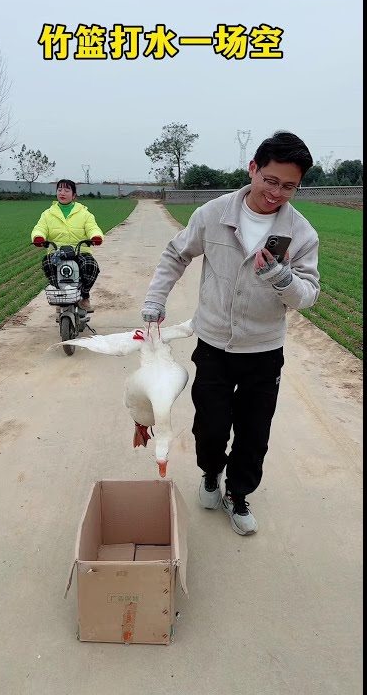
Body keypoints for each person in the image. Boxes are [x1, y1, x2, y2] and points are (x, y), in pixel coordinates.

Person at [140, 131, 320, 536]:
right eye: (270, 180)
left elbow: (307, 295)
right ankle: (210, 473)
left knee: (255, 431)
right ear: (253, 168)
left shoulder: (303, 233)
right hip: (214, 343)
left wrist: (282, 278)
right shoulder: (214, 214)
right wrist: (156, 299)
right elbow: (176, 254)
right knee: (211, 426)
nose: (276, 193)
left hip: (264, 348)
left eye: (288, 186)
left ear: (298, 186)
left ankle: (238, 495)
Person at [31, 179, 104, 311]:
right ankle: (61, 296)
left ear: (74, 195)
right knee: (48, 264)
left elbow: (92, 227)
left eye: (66, 190)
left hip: (80, 251)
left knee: (90, 266)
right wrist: (38, 237)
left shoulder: (84, 213)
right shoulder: (48, 214)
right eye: (59, 190)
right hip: (57, 252)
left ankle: (84, 296)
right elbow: (40, 228)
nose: (62, 193)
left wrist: (95, 236)